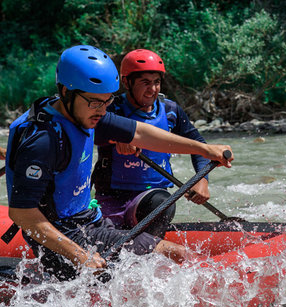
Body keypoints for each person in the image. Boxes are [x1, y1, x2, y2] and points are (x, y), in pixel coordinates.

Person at [5, 45, 233, 281]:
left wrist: (205, 149)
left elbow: (141, 133)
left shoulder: (83, 110)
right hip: (63, 237)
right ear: (65, 91)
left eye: (107, 101)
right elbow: (22, 213)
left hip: (89, 223)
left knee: (177, 256)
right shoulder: (42, 141)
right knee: (175, 255)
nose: (103, 110)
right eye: (96, 102)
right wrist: (79, 255)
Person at [92, 49, 210, 237]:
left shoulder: (171, 110)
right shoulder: (110, 109)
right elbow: (89, 134)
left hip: (150, 198)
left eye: (156, 82)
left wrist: (201, 180)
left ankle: (148, 248)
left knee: (163, 203)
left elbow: (197, 144)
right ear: (126, 82)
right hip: (111, 197)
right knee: (104, 238)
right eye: (145, 83)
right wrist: (115, 139)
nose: (153, 89)